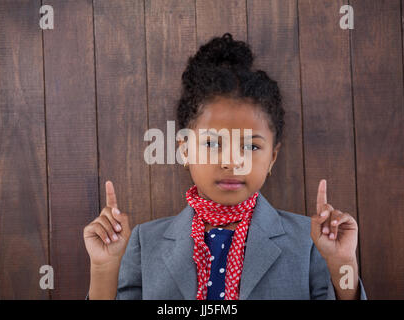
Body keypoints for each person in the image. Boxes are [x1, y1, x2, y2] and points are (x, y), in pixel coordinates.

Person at [83, 33, 367, 300]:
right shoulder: (145, 242)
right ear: (184, 150)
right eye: (212, 144)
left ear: (273, 158)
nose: (232, 161)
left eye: (251, 146)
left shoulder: (310, 241)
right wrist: (103, 269)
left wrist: (343, 264)